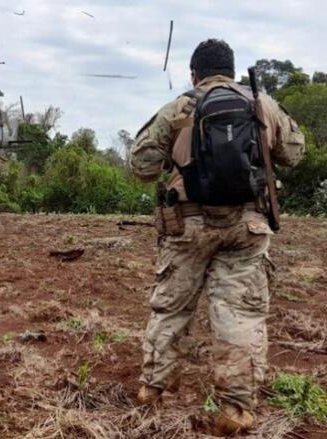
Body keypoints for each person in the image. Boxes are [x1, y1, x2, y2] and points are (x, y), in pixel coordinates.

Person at [128, 39, 305, 435]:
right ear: (232, 70)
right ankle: (237, 408)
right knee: (240, 315)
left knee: (170, 309)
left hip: (187, 225)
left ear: (195, 74)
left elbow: (141, 166)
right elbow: (295, 154)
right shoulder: (261, 104)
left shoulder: (178, 107)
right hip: (247, 226)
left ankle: (151, 392)